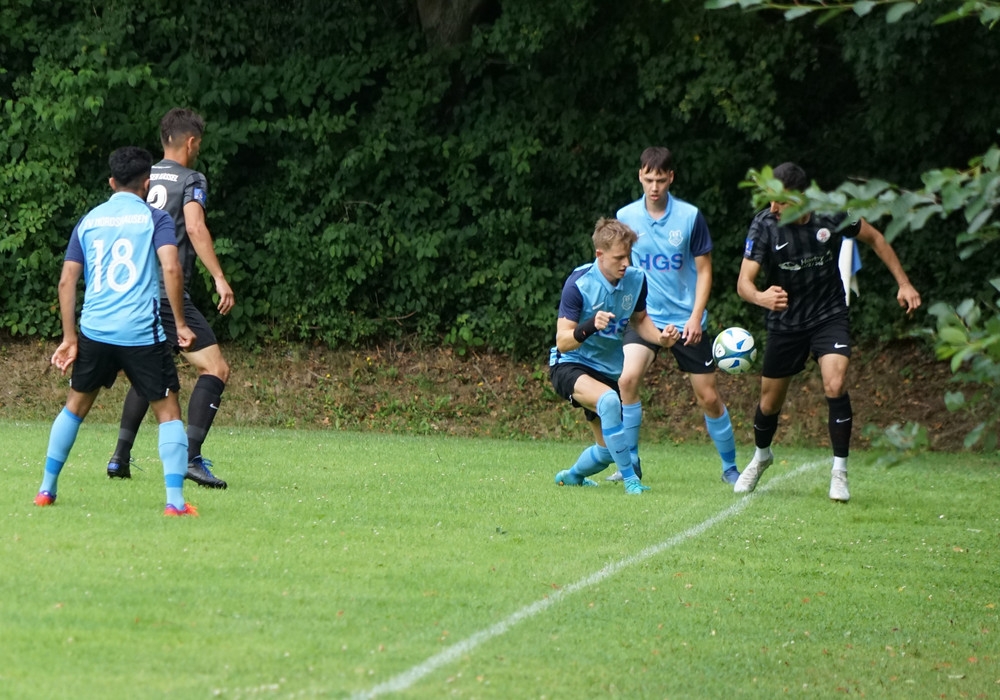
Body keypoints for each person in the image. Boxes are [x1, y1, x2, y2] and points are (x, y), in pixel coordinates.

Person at [734, 162, 922, 501]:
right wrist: (761, 297)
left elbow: (876, 238)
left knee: (835, 384)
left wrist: (904, 283)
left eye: (781, 201)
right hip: (786, 321)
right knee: (769, 403)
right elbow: (743, 283)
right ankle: (761, 456)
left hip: (828, 314)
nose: (773, 207)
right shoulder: (765, 225)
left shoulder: (830, 213)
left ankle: (839, 472)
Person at [35, 146, 198, 516]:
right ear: (148, 183)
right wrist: (181, 324)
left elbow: (67, 281)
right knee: (169, 412)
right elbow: (171, 268)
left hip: (96, 332)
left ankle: (46, 489)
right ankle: (175, 502)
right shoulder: (156, 219)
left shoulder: (90, 220)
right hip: (141, 332)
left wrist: (69, 338)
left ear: (111, 182)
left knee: (75, 407)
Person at [107, 108, 234, 489]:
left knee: (151, 371)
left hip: (138, 291)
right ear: (191, 142)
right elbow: (194, 227)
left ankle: (119, 457)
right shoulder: (192, 179)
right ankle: (191, 458)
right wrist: (219, 277)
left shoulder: (143, 179)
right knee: (216, 369)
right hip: (168, 293)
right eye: (199, 144)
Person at [610, 146, 741, 485]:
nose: (654, 187)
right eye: (648, 179)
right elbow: (620, 267)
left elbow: (705, 270)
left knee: (708, 397)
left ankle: (730, 467)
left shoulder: (689, 217)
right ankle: (630, 464)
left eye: (660, 180)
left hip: (686, 320)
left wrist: (696, 317)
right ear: (640, 176)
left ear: (671, 178)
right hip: (645, 317)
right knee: (626, 380)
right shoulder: (625, 216)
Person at [550, 217, 681, 495]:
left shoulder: (636, 280)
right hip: (571, 364)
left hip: (607, 371)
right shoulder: (579, 284)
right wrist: (589, 326)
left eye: (628, 256)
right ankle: (631, 480)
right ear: (600, 254)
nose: (625, 263)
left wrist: (660, 338)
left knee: (607, 450)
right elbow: (562, 341)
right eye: (618, 258)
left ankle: (571, 476)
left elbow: (639, 320)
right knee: (609, 401)